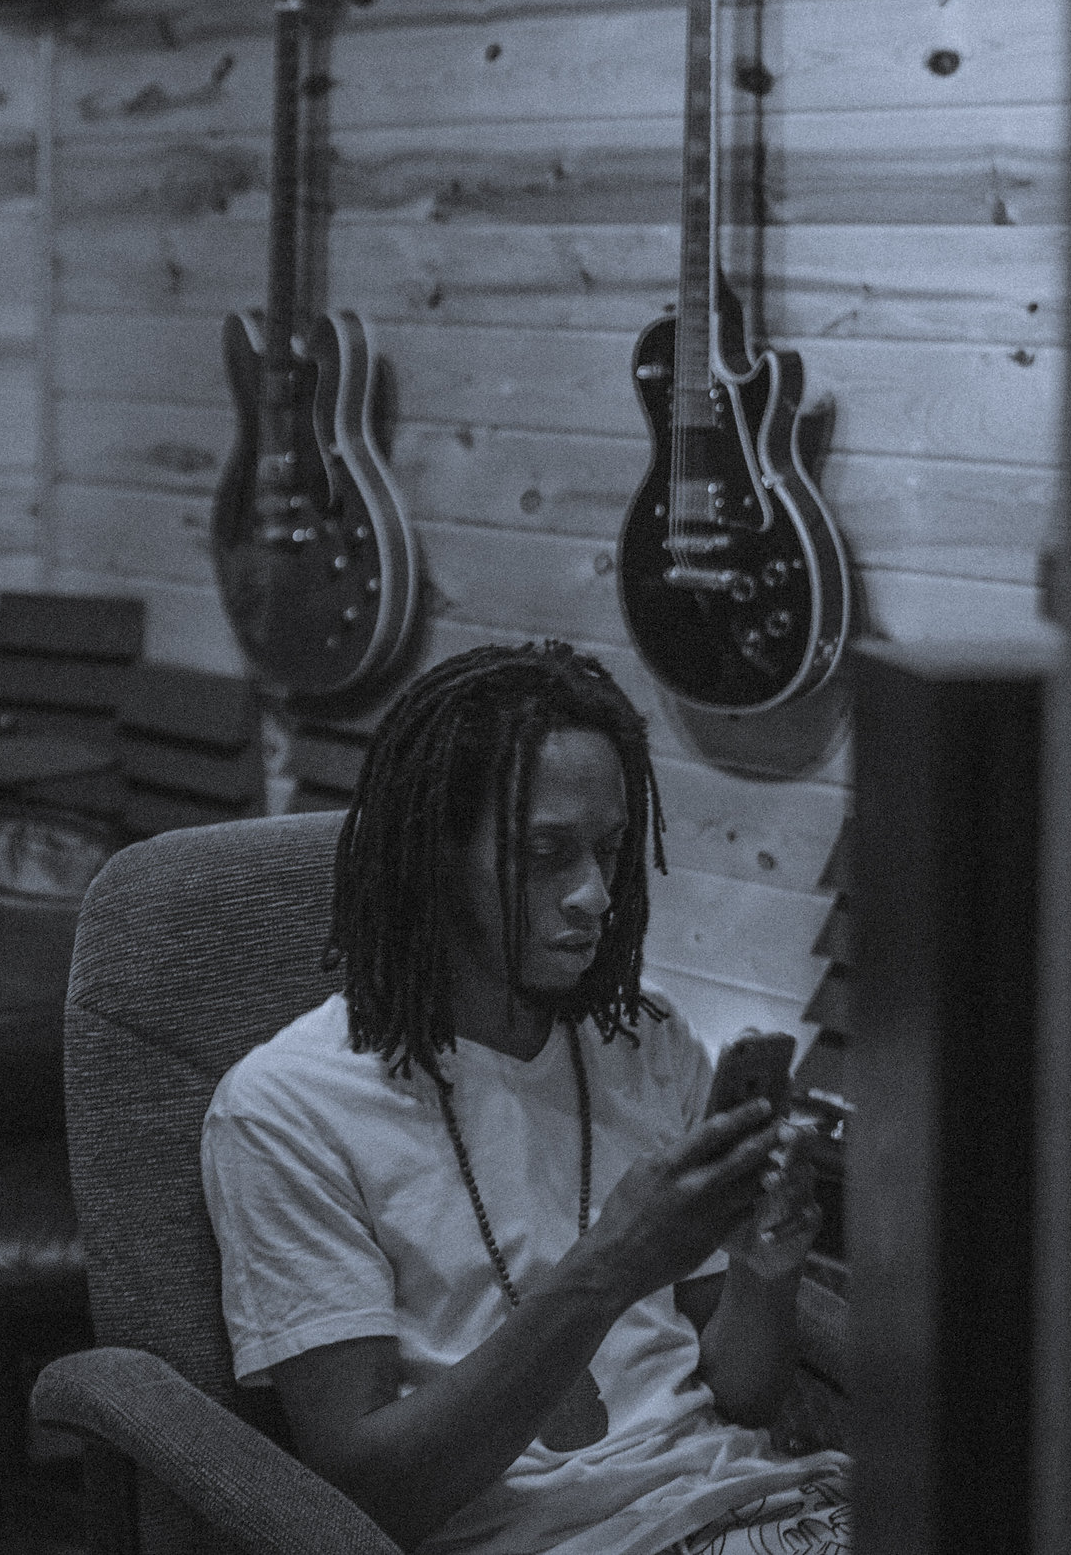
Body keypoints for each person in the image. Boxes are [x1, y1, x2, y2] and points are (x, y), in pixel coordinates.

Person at [199, 643, 849, 1555]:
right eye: (547, 854)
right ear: (435, 856)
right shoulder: (285, 1108)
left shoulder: (646, 1040)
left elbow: (740, 1398)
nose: (596, 895)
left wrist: (764, 1274)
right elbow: (366, 1500)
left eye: (611, 849)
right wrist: (609, 1267)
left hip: (745, 1503)